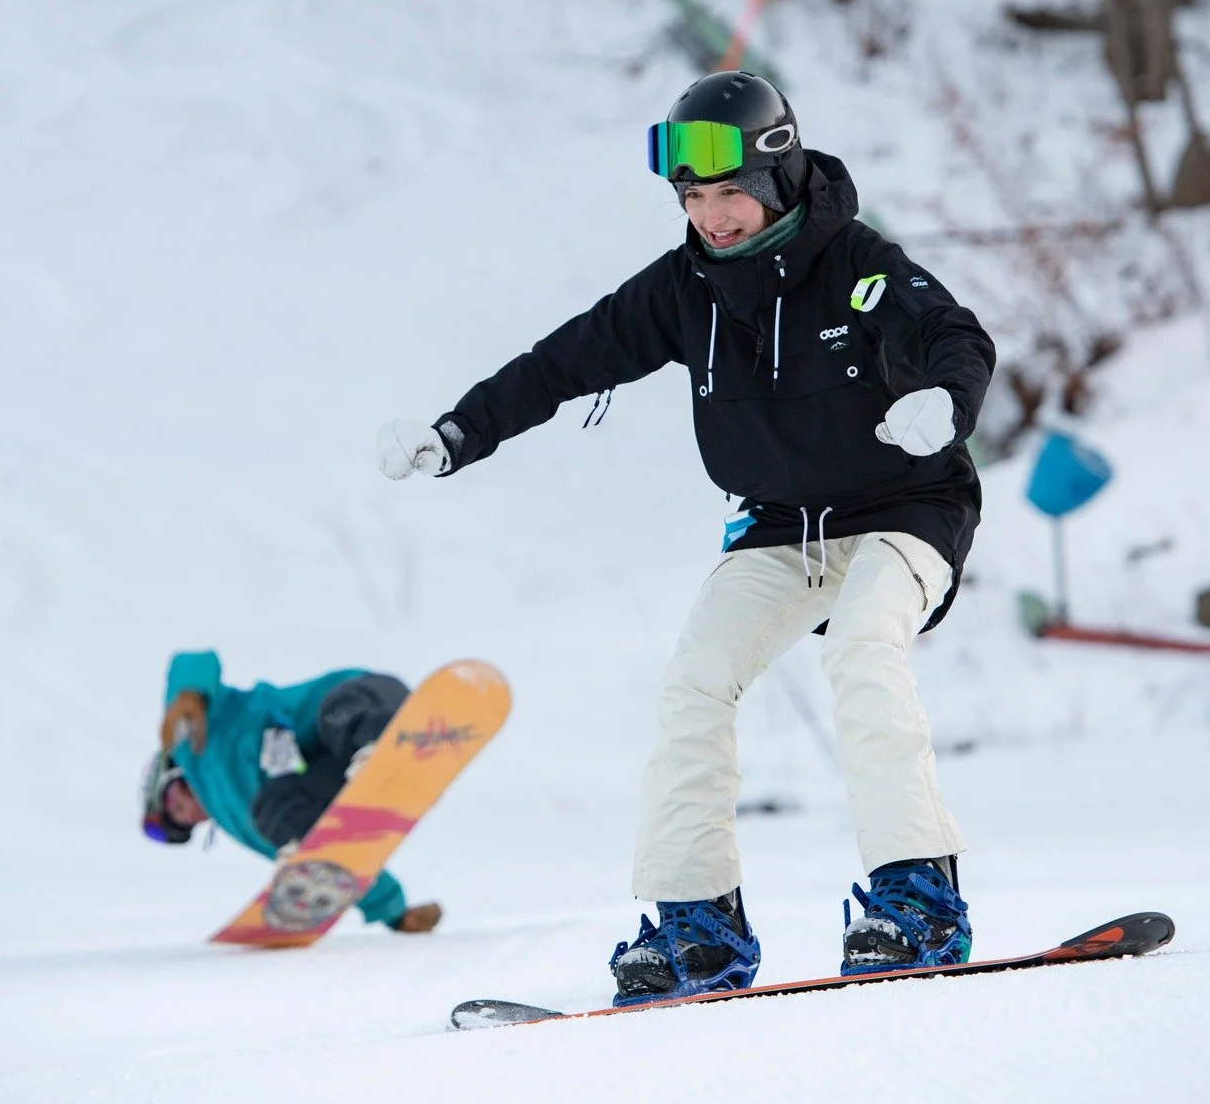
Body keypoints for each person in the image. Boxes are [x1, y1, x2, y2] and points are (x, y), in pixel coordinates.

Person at [374, 71, 995, 1003]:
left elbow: (956, 334)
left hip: (907, 510)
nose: (712, 216)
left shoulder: (858, 264)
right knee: (694, 683)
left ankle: (917, 901)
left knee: (866, 649)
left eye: (729, 191)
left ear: (779, 177)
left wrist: (944, 400)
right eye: (693, 197)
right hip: (780, 527)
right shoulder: (687, 287)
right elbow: (563, 360)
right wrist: (461, 431)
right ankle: (696, 923)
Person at [141, 649, 442, 933]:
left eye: (176, 803)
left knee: (339, 713)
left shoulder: (193, 738)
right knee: (279, 816)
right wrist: (395, 912)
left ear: (172, 775)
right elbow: (343, 860)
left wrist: (188, 692)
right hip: (334, 773)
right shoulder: (245, 821)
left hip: (358, 702)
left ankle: (384, 749)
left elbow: (194, 659)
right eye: (185, 821)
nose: (190, 812)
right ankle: (382, 765)